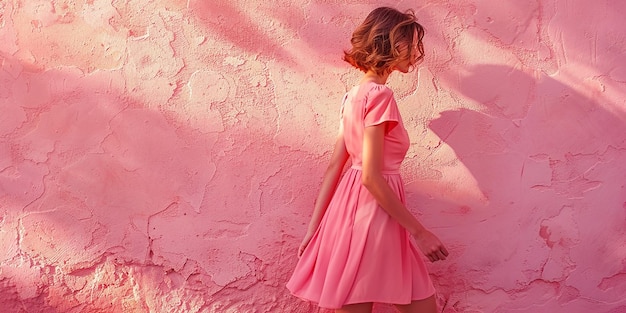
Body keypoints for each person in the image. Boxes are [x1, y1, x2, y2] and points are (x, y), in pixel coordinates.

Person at [286, 7, 449, 313]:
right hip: (372, 213)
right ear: (390, 43)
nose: (415, 52)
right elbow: (371, 176)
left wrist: (315, 227)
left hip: (357, 213)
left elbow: (337, 166)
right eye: (409, 43)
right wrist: (420, 233)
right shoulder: (379, 96)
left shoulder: (353, 96)